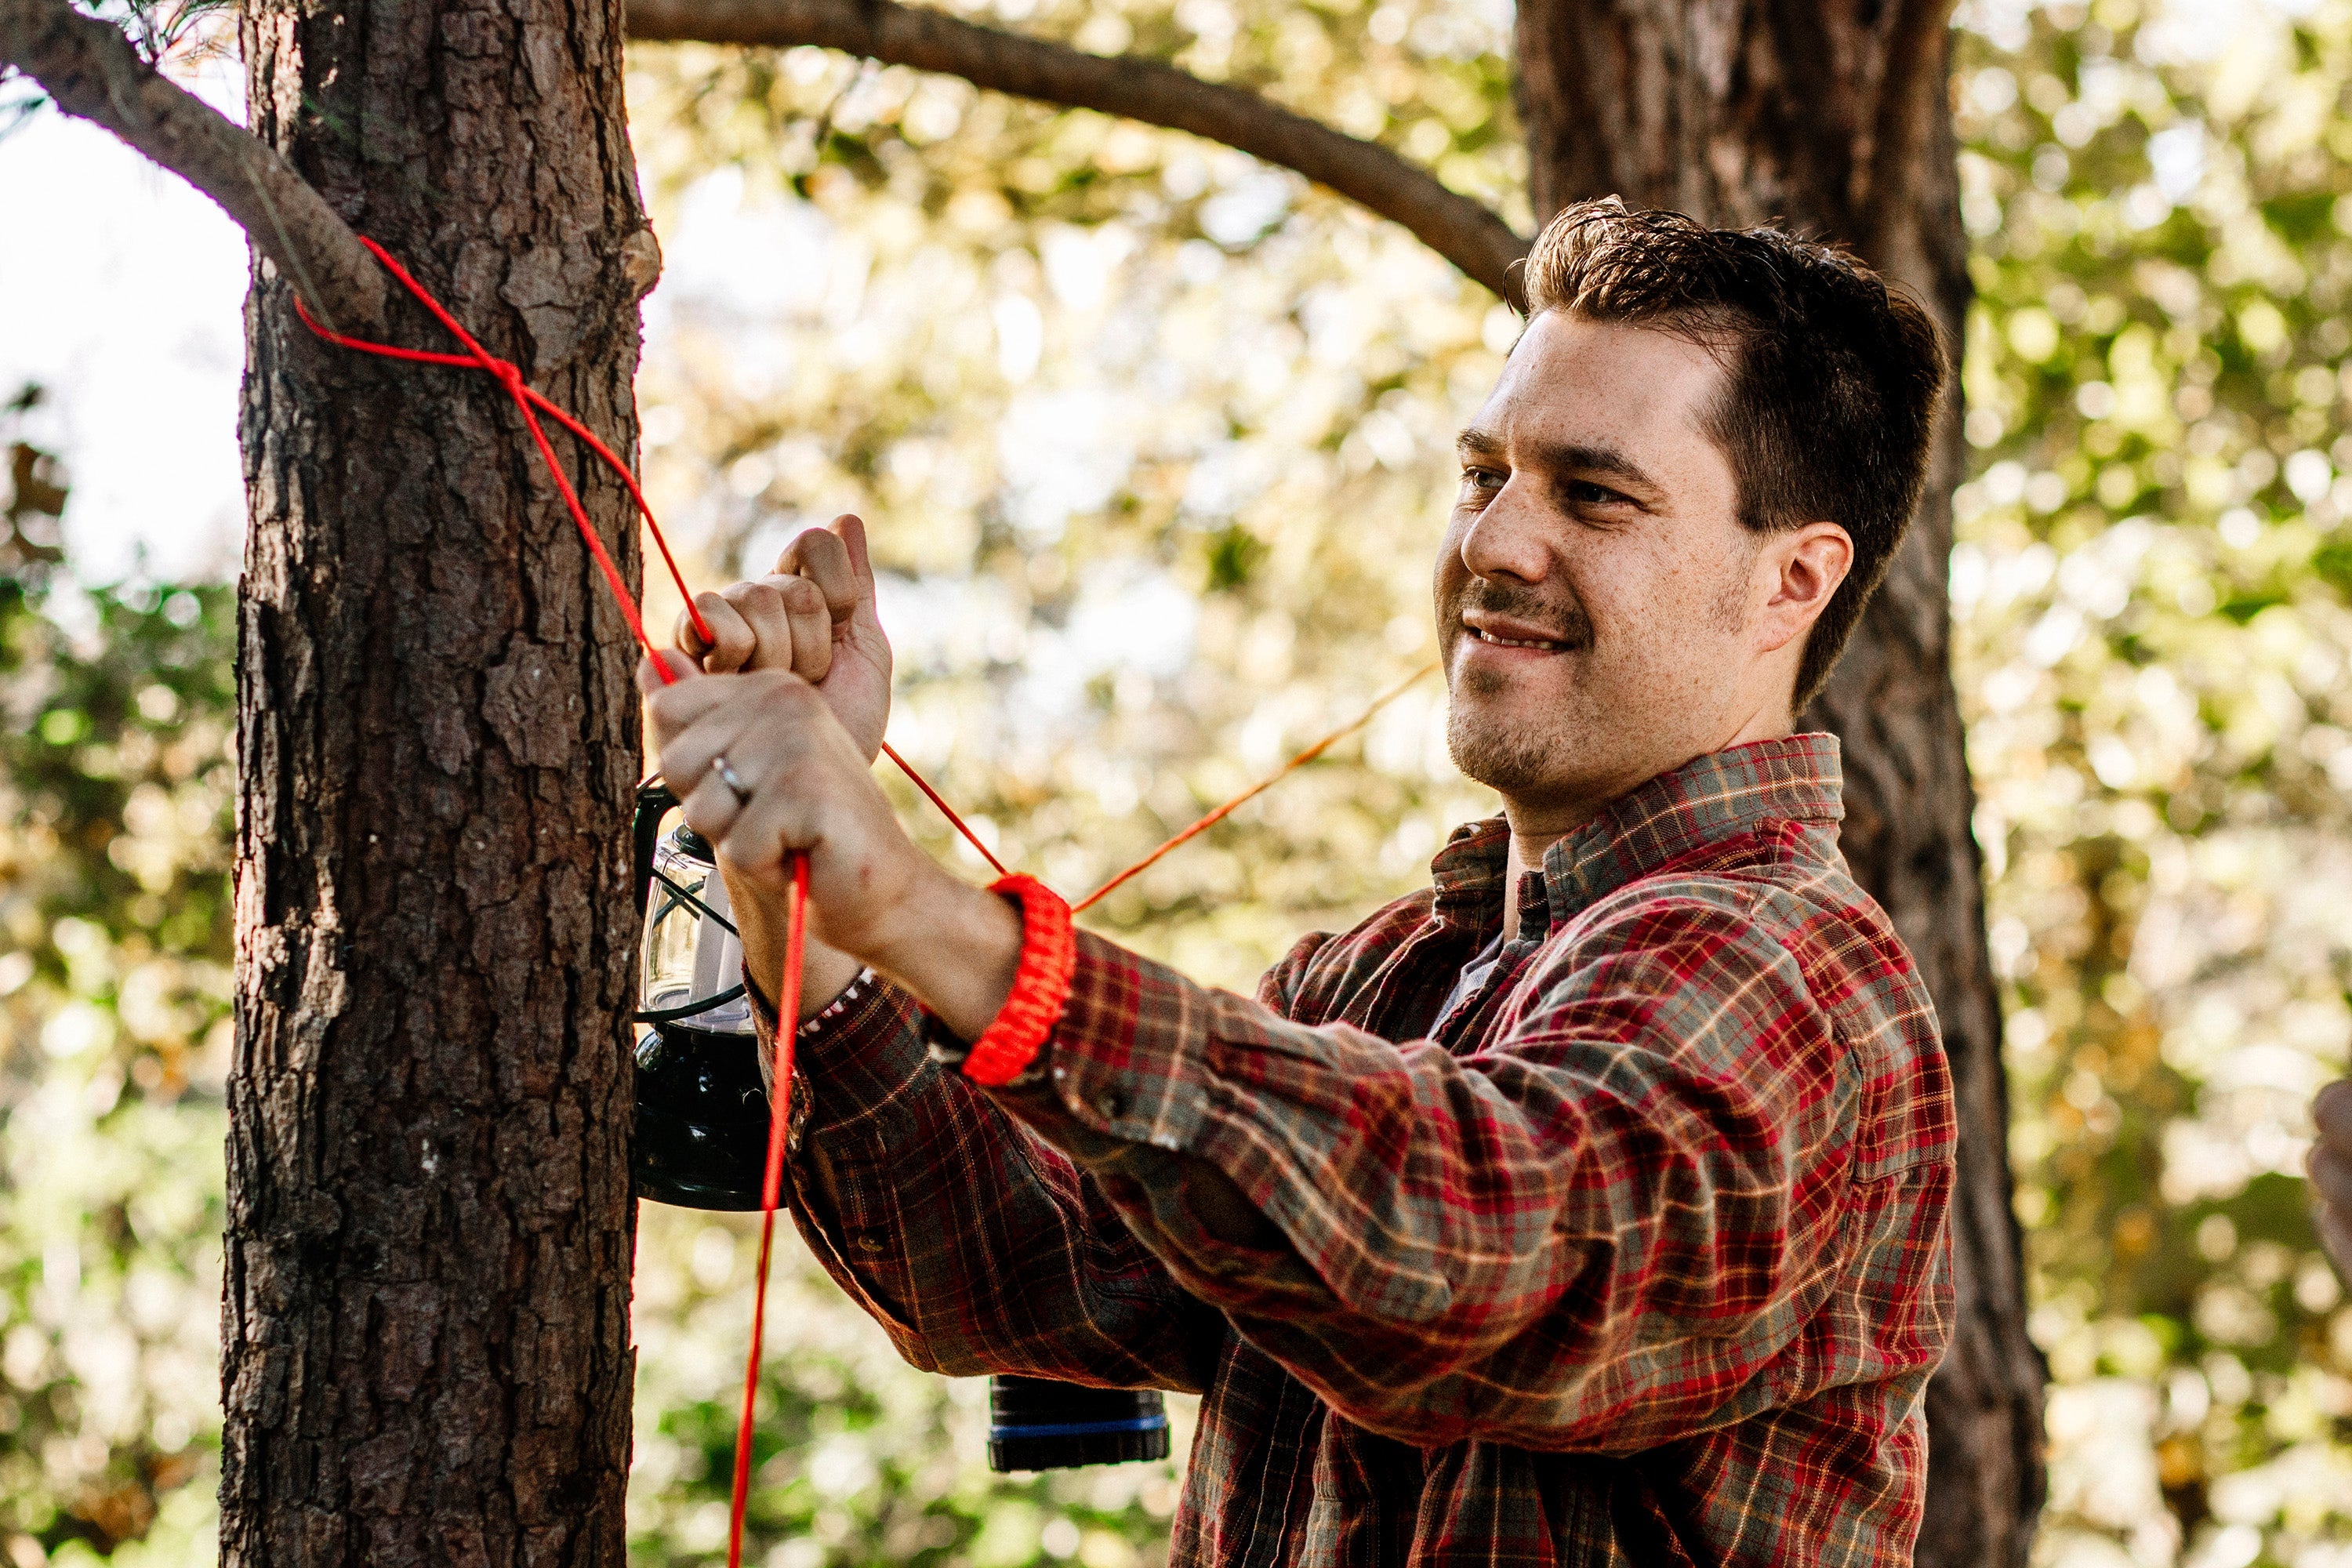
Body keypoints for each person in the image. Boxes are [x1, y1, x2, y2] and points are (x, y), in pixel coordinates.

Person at [640, 200, 1957, 1566]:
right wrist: (796, 882)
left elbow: (1470, 1252)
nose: (1492, 545)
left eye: (1595, 493)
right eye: (1482, 475)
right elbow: (1023, 1271)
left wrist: (918, 905)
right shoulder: (1381, 978)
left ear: (1791, 582)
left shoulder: (1794, 975)